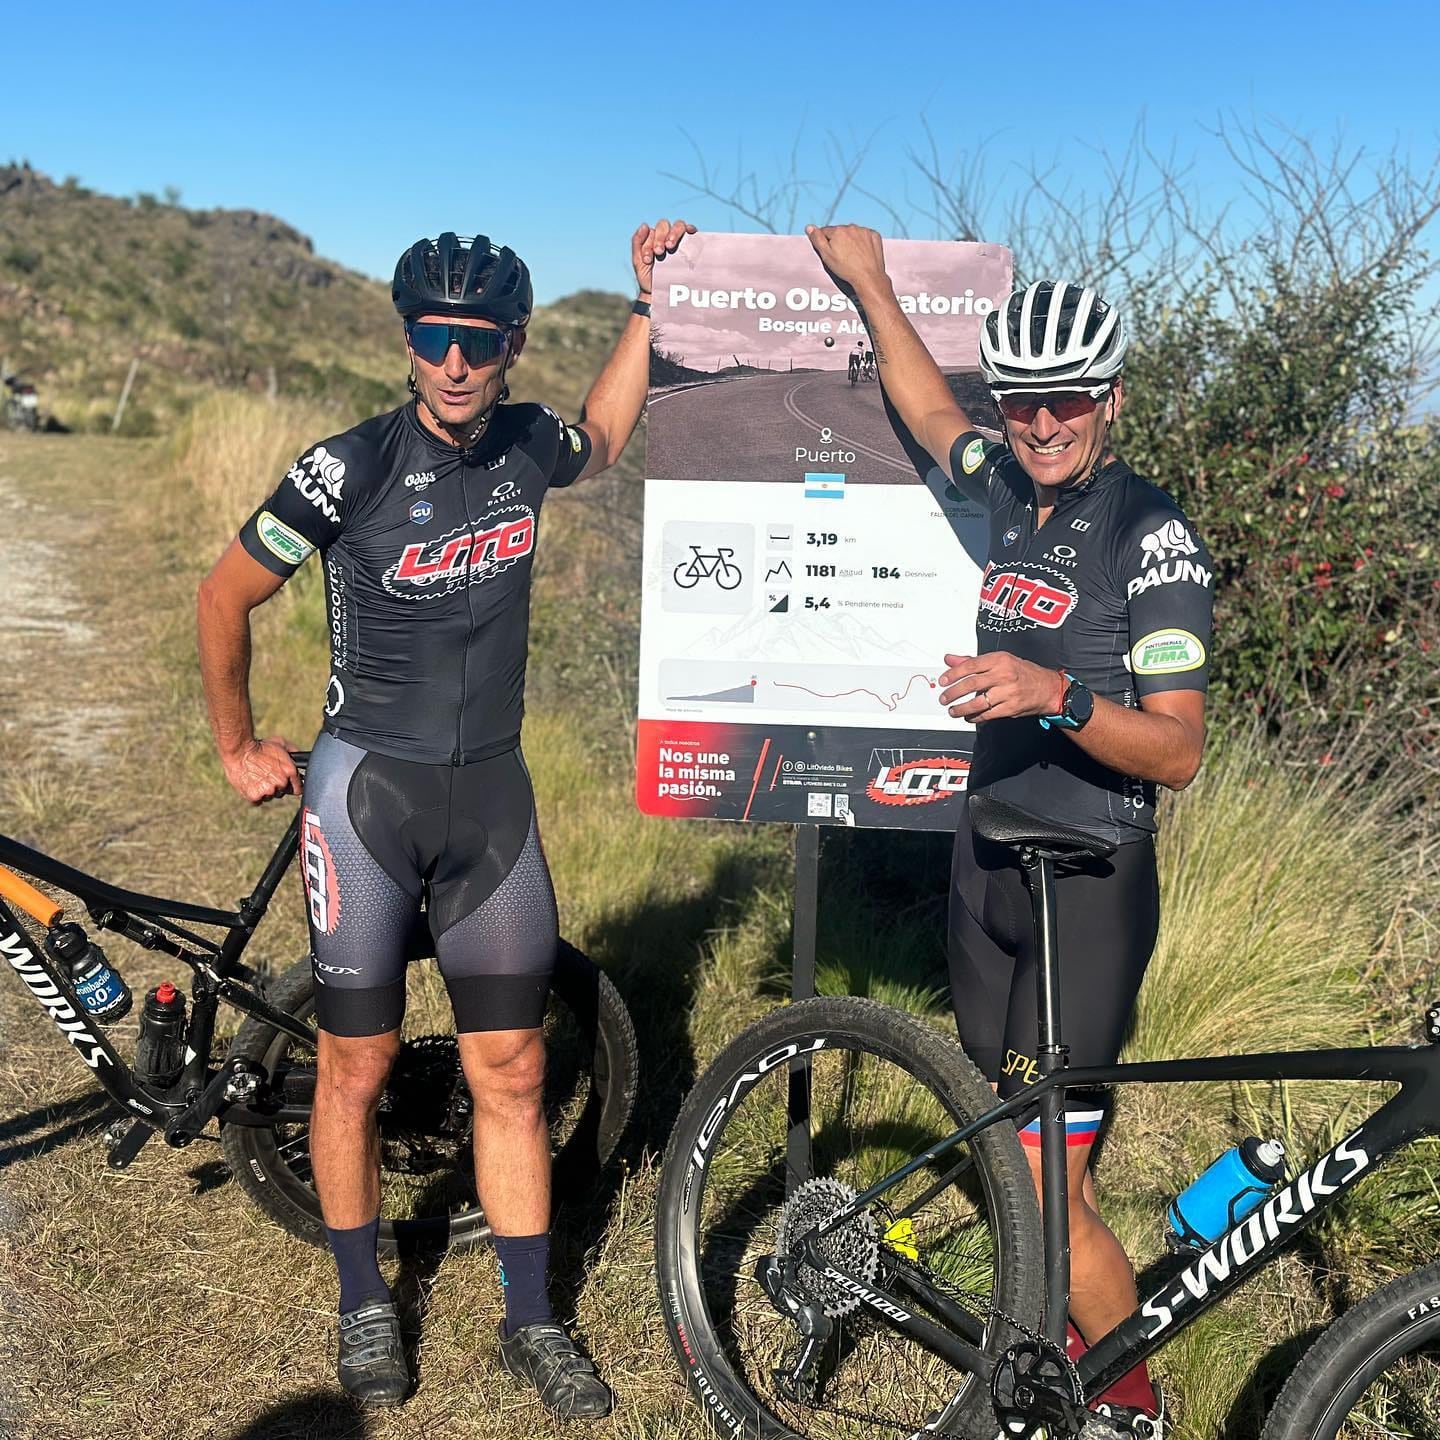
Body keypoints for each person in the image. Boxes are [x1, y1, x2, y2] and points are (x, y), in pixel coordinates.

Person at [197, 220, 693, 1416]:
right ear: (408, 342)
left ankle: (533, 1320)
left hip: (494, 803)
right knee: (355, 1064)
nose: (457, 363)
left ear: (512, 345)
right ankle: (365, 1299)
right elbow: (226, 592)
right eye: (434, 338)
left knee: (514, 1068)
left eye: (478, 341)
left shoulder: (529, 446)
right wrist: (234, 743)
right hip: (367, 797)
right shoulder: (346, 467)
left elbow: (611, 434)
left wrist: (642, 306)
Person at [808, 225, 1212, 1438]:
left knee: (1046, 1178)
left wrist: (1060, 696)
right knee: (1002, 1137)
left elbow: (1180, 749)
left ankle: (1128, 1401)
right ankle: (1035, 1369)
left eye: (1068, 404)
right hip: (983, 863)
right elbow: (931, 411)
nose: (1042, 427)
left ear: (1111, 399)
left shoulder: (1152, 537)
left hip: (1086, 882)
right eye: (1025, 403)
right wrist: (872, 282)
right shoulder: (1005, 486)